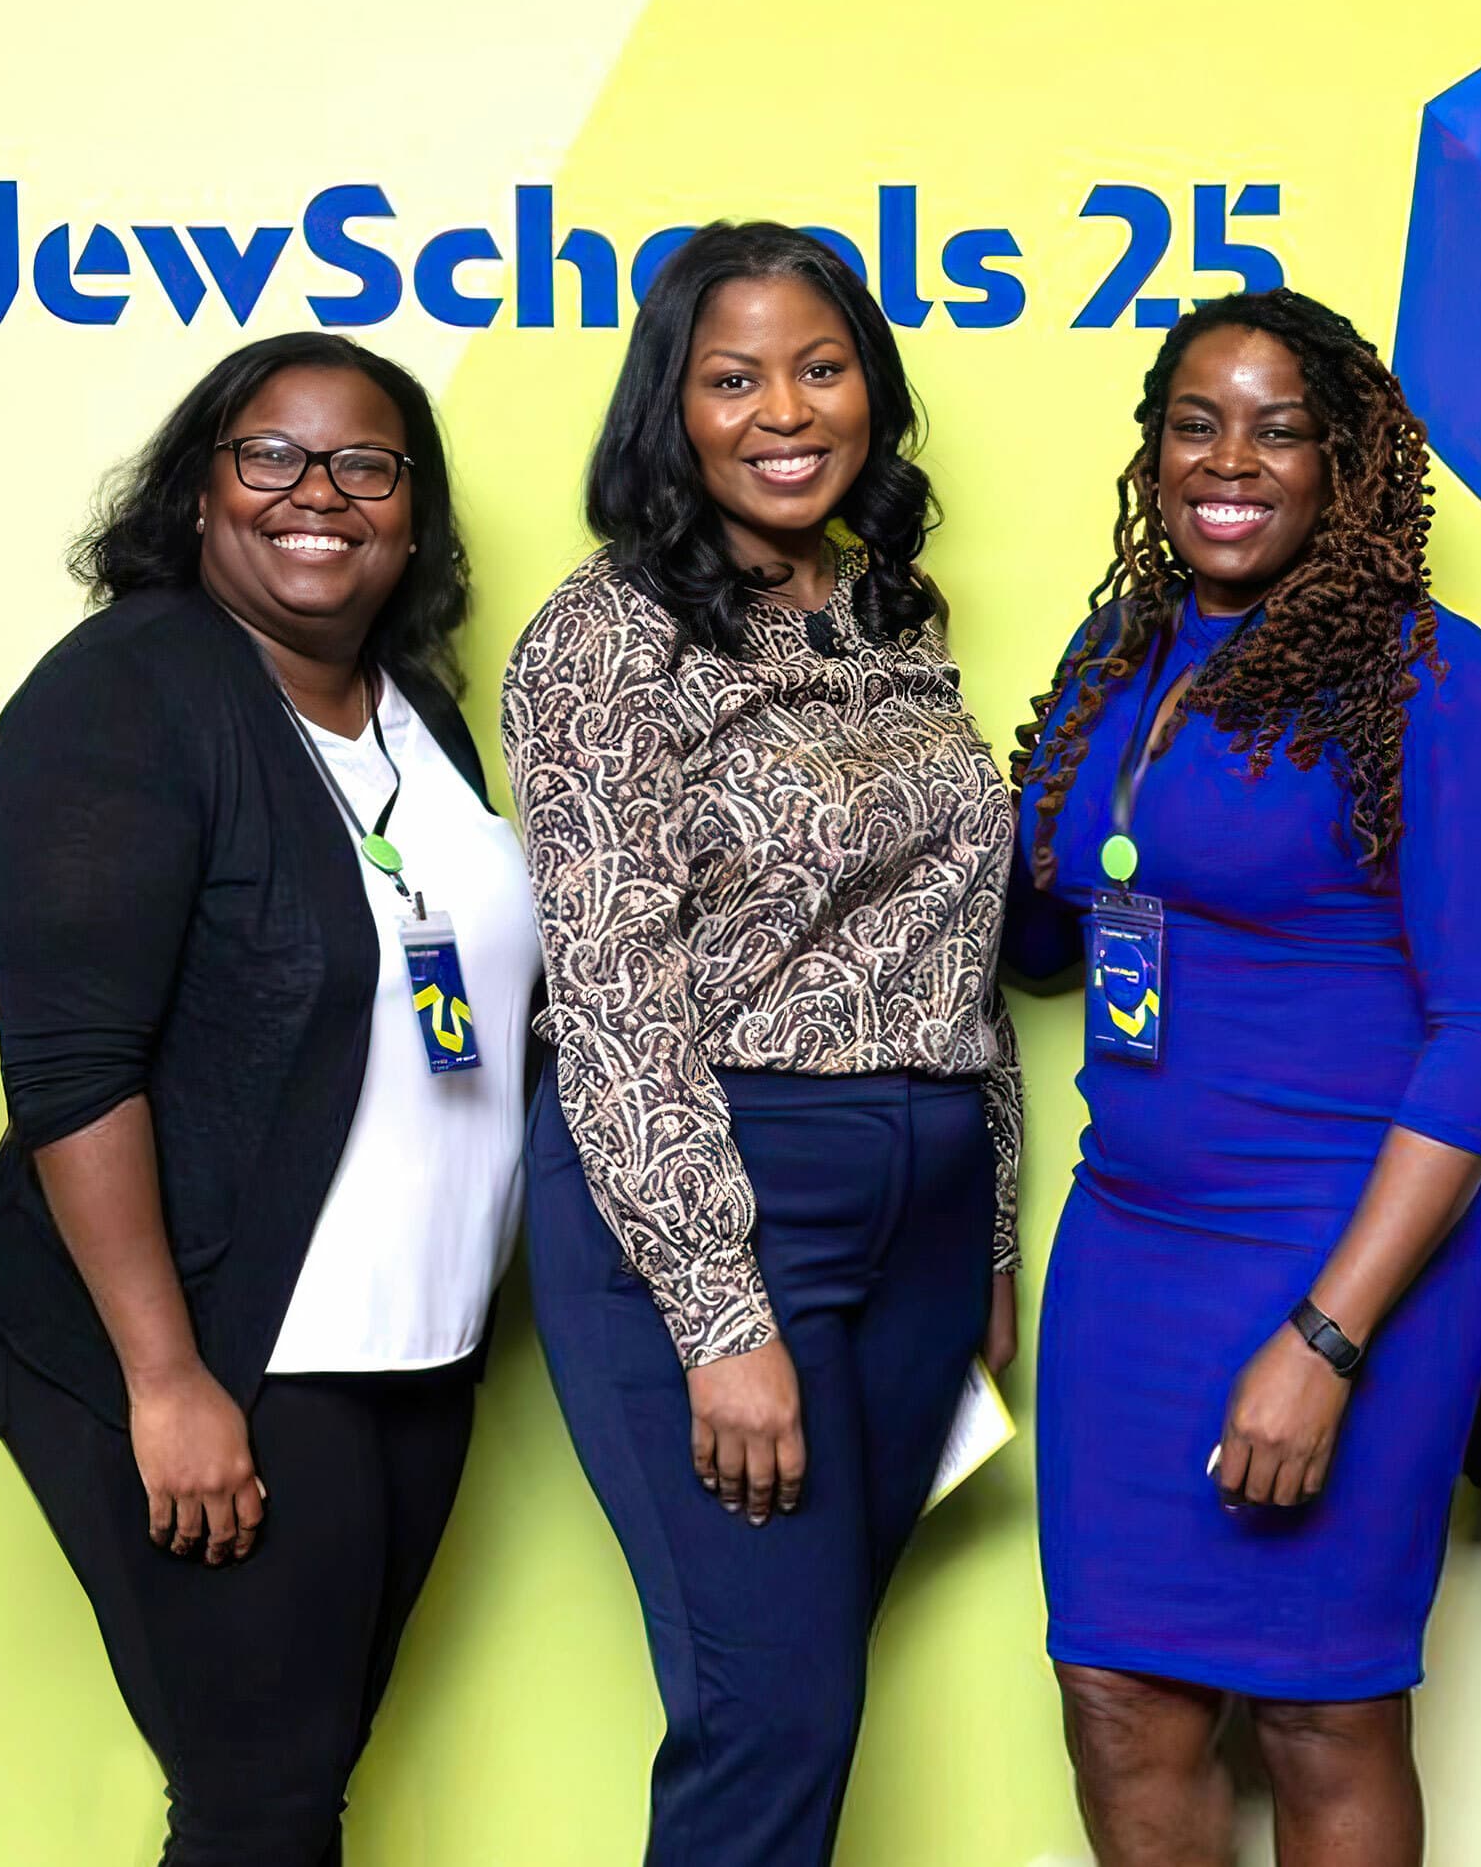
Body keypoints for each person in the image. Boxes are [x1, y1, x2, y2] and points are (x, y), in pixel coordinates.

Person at [0, 332, 541, 1864]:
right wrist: (166, 1380)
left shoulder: (407, 706)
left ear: (411, 516)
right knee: (260, 1807)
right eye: (271, 455)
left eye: (367, 464)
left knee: (292, 1790)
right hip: (222, 1343)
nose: (320, 494)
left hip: (408, 1344)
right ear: (199, 488)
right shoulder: (129, 694)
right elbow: (73, 1067)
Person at [502, 221, 1021, 1867]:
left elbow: (953, 931)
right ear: (674, 405)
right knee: (771, 1718)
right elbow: (610, 984)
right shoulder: (605, 637)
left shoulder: (888, 613)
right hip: (720, 1198)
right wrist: (721, 1311)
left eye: (821, 365)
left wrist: (989, 1222)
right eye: (733, 377)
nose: (784, 409)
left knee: (802, 1696)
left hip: (920, 1203)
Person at [1005, 288, 1481, 1867]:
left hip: (1344, 1253)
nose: (1227, 459)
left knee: (1322, 1707)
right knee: (1113, 1688)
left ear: (1349, 466)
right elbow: (1061, 921)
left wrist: (1328, 1334)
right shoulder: (1119, 653)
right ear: (1153, 452)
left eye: (1279, 427)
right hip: (1130, 1248)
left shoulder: (1430, 680)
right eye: (1194, 421)